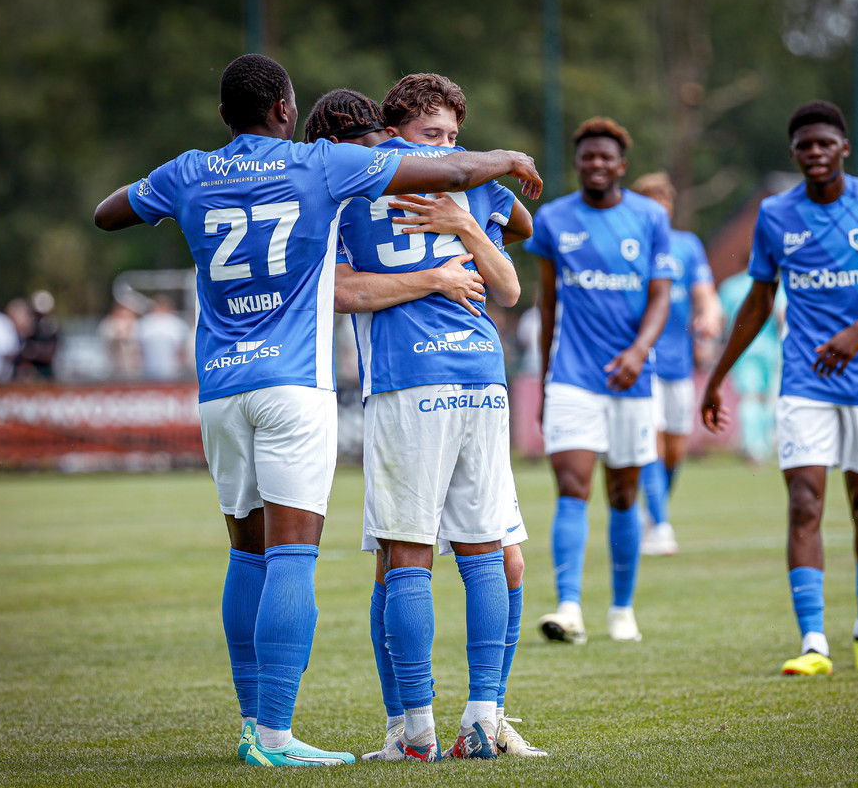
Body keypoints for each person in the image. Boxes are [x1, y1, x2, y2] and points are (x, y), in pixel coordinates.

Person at [93, 54, 541, 768]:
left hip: (222, 384)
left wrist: (178, 188)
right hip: (304, 384)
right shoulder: (323, 169)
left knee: (258, 555)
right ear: (283, 110)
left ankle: (278, 726)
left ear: (223, 116)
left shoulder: (191, 170)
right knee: (310, 557)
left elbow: (108, 213)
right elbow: (476, 191)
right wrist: (505, 158)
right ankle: (291, 735)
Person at [306, 79, 544, 760]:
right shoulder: (375, 185)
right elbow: (345, 291)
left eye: (450, 137)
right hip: (430, 381)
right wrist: (443, 268)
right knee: (443, 557)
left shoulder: (367, 192)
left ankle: (453, 726)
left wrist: (469, 222)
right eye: (429, 136)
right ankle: (429, 725)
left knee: (450, 556)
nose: (444, 149)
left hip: (450, 385)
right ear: (393, 129)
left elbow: (507, 285)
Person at [701, 100, 858, 676]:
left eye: (825, 143)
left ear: (843, 148)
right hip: (803, 380)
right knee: (804, 502)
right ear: (794, 153)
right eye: (804, 145)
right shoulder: (777, 215)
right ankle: (813, 644)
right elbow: (758, 301)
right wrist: (717, 377)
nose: (815, 153)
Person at [525, 117, 674, 645]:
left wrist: (638, 352)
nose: (595, 164)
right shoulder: (553, 220)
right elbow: (548, 306)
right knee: (571, 487)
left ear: (621, 165)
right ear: (578, 162)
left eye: (605, 157)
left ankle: (622, 609)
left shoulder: (651, 217)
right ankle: (568, 608)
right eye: (587, 156)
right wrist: (544, 382)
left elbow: (661, 295)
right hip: (572, 377)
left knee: (623, 493)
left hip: (632, 380)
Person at [630, 172, 722, 556]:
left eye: (662, 206)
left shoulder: (687, 246)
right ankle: (662, 524)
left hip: (679, 363)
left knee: (675, 450)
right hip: (641, 362)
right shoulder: (630, 248)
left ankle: (653, 512)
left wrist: (711, 317)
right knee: (650, 442)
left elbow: (707, 297)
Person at [716, 271, 786, 465]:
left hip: (741, 351)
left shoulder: (730, 286)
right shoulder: (774, 285)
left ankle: (752, 446)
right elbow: (782, 318)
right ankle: (763, 445)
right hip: (770, 350)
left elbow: (721, 320)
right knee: (766, 399)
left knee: (749, 398)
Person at [135, 294, 190, 381]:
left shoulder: (177, 324)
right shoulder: (144, 323)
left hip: (172, 370)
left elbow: (182, 350)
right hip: (148, 369)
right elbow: (138, 349)